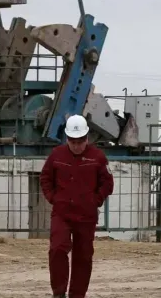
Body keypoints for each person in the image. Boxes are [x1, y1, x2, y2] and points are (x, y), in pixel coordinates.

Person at [40, 114, 114, 298]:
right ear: (67, 138)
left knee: (83, 256)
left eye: (80, 141)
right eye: (73, 141)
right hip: (62, 213)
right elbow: (45, 178)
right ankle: (59, 292)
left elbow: (107, 183)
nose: (76, 145)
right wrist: (53, 198)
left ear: (87, 138)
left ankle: (77, 294)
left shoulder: (98, 157)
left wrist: (95, 200)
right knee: (57, 249)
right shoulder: (56, 155)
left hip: (86, 216)